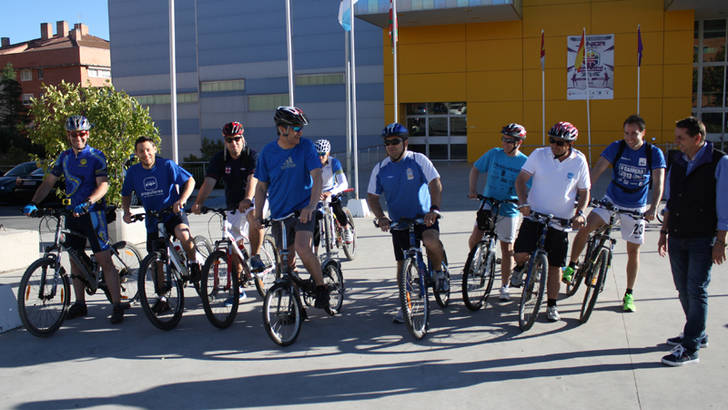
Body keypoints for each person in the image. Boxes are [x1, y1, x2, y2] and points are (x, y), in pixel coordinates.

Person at [23, 115, 125, 324]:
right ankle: (80, 303)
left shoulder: (96, 156)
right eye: (73, 134)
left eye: (81, 133)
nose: (77, 137)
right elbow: (48, 182)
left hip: (93, 214)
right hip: (73, 214)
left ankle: (117, 305)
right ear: (68, 136)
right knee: (74, 258)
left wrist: (88, 202)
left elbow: (103, 185)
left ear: (87, 134)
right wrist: (34, 202)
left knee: (104, 259)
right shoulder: (64, 157)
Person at [564, 115, 666, 312]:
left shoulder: (653, 153)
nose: (629, 137)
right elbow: (597, 170)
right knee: (585, 226)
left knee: (633, 251)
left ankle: (629, 293)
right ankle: (572, 265)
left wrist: (653, 208)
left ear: (643, 133)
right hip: (611, 200)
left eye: (634, 134)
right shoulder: (617, 147)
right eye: (626, 133)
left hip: (636, 207)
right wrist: (585, 193)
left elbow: (659, 181)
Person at [658, 116, 727, 366]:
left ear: (697, 138)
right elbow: (670, 200)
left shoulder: (719, 162)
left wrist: (720, 241)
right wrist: (664, 233)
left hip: (702, 238)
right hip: (677, 234)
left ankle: (690, 348)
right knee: (683, 289)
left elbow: (724, 206)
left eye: (681, 138)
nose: (677, 142)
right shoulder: (677, 160)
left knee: (696, 290)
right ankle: (697, 332)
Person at [250, 106, 329, 309]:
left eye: (301, 128)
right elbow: (261, 187)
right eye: (296, 128)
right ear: (282, 129)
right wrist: (258, 215)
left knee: (303, 247)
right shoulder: (268, 152)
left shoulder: (306, 147)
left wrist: (311, 206)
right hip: (279, 214)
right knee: (286, 263)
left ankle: (321, 287)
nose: (300, 132)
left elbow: (317, 176)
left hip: (303, 210)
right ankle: (297, 307)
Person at [366, 123, 445, 323]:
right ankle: (406, 304)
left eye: (395, 142)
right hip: (399, 222)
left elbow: (435, 182)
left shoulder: (418, 160)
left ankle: (438, 272)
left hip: (424, 217)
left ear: (405, 143)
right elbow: (372, 197)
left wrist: (434, 209)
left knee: (430, 240)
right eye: (387, 143)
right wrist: (380, 216)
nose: (391, 146)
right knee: (402, 265)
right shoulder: (381, 168)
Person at [514, 121, 591, 322]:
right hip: (534, 214)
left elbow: (584, 192)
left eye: (560, 142)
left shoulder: (579, 161)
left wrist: (580, 213)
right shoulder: (539, 154)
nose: (554, 146)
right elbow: (521, 180)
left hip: (560, 221)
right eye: (552, 141)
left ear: (570, 144)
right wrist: (523, 203)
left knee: (555, 267)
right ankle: (523, 267)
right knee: (520, 254)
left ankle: (551, 305)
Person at [121, 136, 199, 313]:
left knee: (183, 234)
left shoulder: (166, 165)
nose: (145, 154)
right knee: (157, 259)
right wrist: (126, 212)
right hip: (153, 218)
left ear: (154, 149)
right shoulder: (133, 172)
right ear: (136, 153)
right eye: (141, 151)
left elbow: (190, 181)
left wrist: (182, 200)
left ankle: (194, 262)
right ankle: (162, 297)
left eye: (148, 149)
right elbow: (126, 193)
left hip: (172, 213)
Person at [191, 121, 266, 303]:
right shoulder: (220, 158)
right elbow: (209, 182)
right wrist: (198, 203)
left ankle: (255, 256)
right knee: (233, 246)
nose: (234, 143)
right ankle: (238, 289)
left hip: (254, 198)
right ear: (225, 141)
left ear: (243, 138)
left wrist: (248, 199)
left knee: (253, 217)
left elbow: (253, 179)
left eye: (237, 139)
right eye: (229, 140)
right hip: (232, 203)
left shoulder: (251, 155)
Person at [467, 123, 528, 301]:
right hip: (488, 202)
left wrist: (525, 203)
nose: (504, 143)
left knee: (507, 248)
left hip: (509, 208)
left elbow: (530, 186)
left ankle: (504, 287)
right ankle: (476, 260)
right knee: (477, 234)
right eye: (503, 139)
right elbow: (476, 169)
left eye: (509, 141)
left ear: (519, 142)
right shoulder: (494, 154)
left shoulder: (524, 162)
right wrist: (472, 189)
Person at [313, 138, 352, 254]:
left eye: (323, 154)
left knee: (337, 208)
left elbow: (343, 183)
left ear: (328, 153)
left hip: (332, 190)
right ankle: (315, 252)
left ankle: (346, 229)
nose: (320, 157)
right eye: (317, 155)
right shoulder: (310, 164)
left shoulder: (334, 163)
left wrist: (331, 192)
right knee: (315, 220)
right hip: (317, 193)